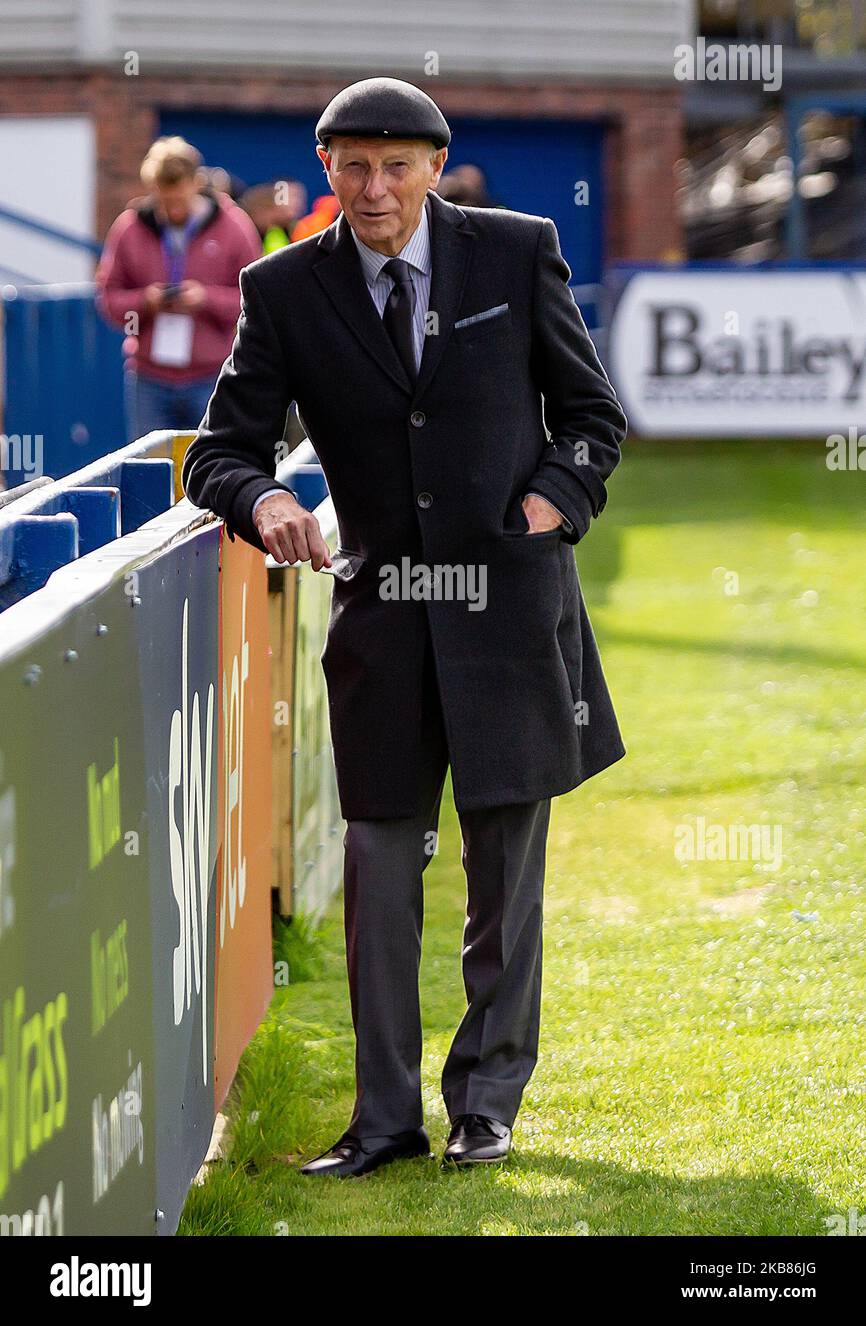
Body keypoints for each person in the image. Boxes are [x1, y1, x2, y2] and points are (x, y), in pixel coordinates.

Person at [182, 77, 627, 1177]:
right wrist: (267, 501)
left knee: (501, 879)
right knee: (381, 873)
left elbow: (590, 417)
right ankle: (383, 1121)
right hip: (381, 624)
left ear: (435, 164)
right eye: (352, 166)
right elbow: (221, 450)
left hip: (512, 619)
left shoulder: (515, 252)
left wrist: (549, 504)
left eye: (395, 165)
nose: (373, 188)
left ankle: (484, 1102)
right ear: (323, 169)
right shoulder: (282, 288)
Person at [96, 136, 261, 438]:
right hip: (148, 377)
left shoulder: (234, 226)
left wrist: (205, 299)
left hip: (212, 375)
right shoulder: (129, 229)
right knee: (150, 472)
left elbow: (254, 300)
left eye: (179, 201)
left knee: (212, 467)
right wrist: (146, 301)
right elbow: (108, 299)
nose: (172, 211)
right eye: (164, 202)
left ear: (196, 183)